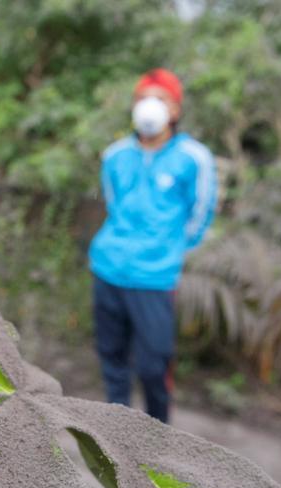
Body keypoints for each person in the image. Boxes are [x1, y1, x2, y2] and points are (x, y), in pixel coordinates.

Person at [89, 68, 216, 423]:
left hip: (155, 279)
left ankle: (159, 437)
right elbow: (112, 203)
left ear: (175, 109)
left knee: (153, 364)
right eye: (143, 98)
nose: (149, 106)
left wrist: (169, 250)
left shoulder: (194, 157)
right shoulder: (115, 155)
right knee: (112, 358)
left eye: (159, 99)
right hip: (108, 268)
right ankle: (117, 430)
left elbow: (200, 213)